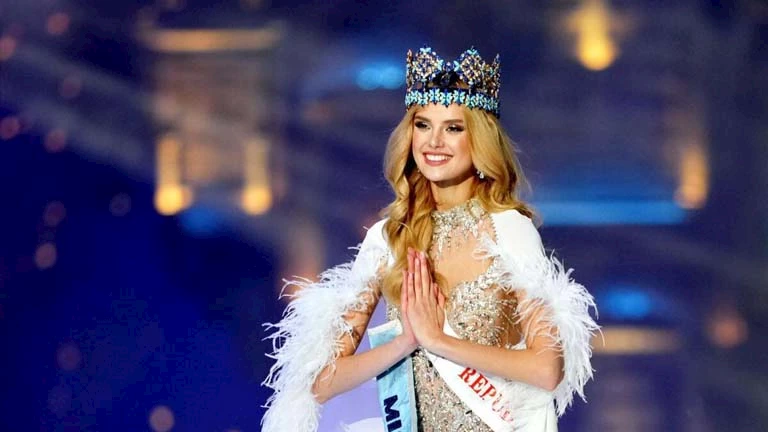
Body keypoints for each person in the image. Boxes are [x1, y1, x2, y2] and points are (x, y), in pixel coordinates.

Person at [262, 47, 599, 432]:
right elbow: (322, 380)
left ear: (480, 141)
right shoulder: (386, 238)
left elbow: (547, 369)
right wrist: (405, 342)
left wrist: (439, 341)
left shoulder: (509, 230)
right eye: (423, 125)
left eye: (453, 128)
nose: (434, 141)